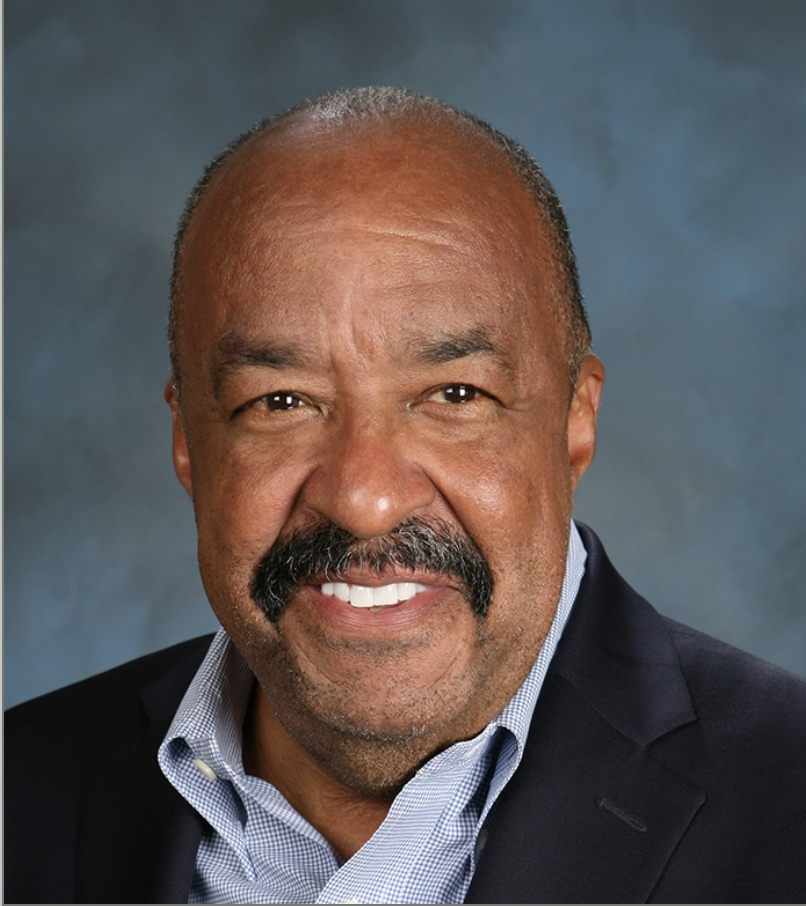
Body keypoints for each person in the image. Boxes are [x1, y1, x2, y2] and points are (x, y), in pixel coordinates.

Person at [6, 87, 806, 905]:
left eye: (455, 395)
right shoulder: (19, 794)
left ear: (575, 421)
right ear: (189, 441)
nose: (365, 498)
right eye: (280, 402)